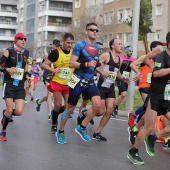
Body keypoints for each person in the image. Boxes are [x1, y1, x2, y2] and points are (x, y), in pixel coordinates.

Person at [127, 31, 170, 165]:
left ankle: (153, 138)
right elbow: (156, 73)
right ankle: (133, 151)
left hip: (166, 97)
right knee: (148, 127)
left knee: (154, 131)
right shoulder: (162, 54)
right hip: (155, 96)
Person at [55, 22, 101, 144]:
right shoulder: (80, 45)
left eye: (96, 30)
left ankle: (82, 126)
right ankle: (60, 131)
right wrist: (86, 64)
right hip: (78, 81)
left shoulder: (97, 47)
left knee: (98, 105)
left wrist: (99, 65)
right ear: (86, 31)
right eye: (92, 30)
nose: (94, 32)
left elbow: (94, 63)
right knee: (70, 108)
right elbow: (71, 63)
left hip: (90, 81)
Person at [92, 38, 130, 141]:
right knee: (100, 112)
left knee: (109, 110)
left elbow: (117, 73)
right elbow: (95, 66)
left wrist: (123, 78)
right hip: (101, 87)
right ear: (113, 46)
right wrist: (102, 72)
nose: (121, 46)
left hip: (110, 87)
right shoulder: (106, 55)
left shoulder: (120, 60)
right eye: (119, 44)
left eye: (121, 44)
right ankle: (85, 113)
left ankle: (97, 132)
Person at [127, 41, 163, 145]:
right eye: (158, 49)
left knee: (149, 110)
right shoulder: (145, 57)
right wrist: (138, 72)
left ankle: (134, 126)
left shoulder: (160, 59)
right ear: (153, 49)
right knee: (149, 107)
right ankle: (134, 122)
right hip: (144, 85)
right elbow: (132, 64)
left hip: (154, 88)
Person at [42, 33, 74, 134]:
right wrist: (52, 70)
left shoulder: (74, 53)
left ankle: (54, 113)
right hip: (57, 82)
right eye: (68, 43)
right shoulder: (56, 52)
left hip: (69, 83)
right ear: (63, 41)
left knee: (69, 107)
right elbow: (44, 64)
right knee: (58, 104)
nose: (69, 45)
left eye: (71, 43)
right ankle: (54, 124)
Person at [0, 32, 30, 141]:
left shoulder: (26, 52)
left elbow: (26, 65)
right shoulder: (9, 51)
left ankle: (5, 115)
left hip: (20, 84)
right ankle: (3, 131)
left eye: (25, 39)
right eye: (21, 39)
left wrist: (27, 75)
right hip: (9, 83)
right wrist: (7, 69)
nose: (23, 40)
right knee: (9, 109)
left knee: (19, 112)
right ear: (16, 40)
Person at [78, 42, 104, 122]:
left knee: (95, 102)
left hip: (97, 82)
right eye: (99, 49)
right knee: (85, 102)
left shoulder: (101, 57)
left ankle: (89, 114)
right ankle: (80, 116)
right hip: (87, 80)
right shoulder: (90, 56)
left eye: (101, 49)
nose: (100, 50)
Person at [36, 39, 61, 121]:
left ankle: (39, 101)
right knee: (50, 94)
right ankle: (50, 113)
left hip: (57, 76)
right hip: (48, 75)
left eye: (58, 45)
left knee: (50, 95)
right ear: (52, 45)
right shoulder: (49, 53)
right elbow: (44, 65)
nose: (57, 46)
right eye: (55, 45)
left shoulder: (61, 53)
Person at [112, 46, 135, 116]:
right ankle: (114, 107)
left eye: (132, 51)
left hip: (126, 79)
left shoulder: (133, 59)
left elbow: (135, 67)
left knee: (120, 95)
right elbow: (117, 68)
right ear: (126, 51)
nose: (131, 52)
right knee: (124, 94)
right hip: (119, 77)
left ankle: (114, 107)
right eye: (129, 51)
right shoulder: (121, 58)